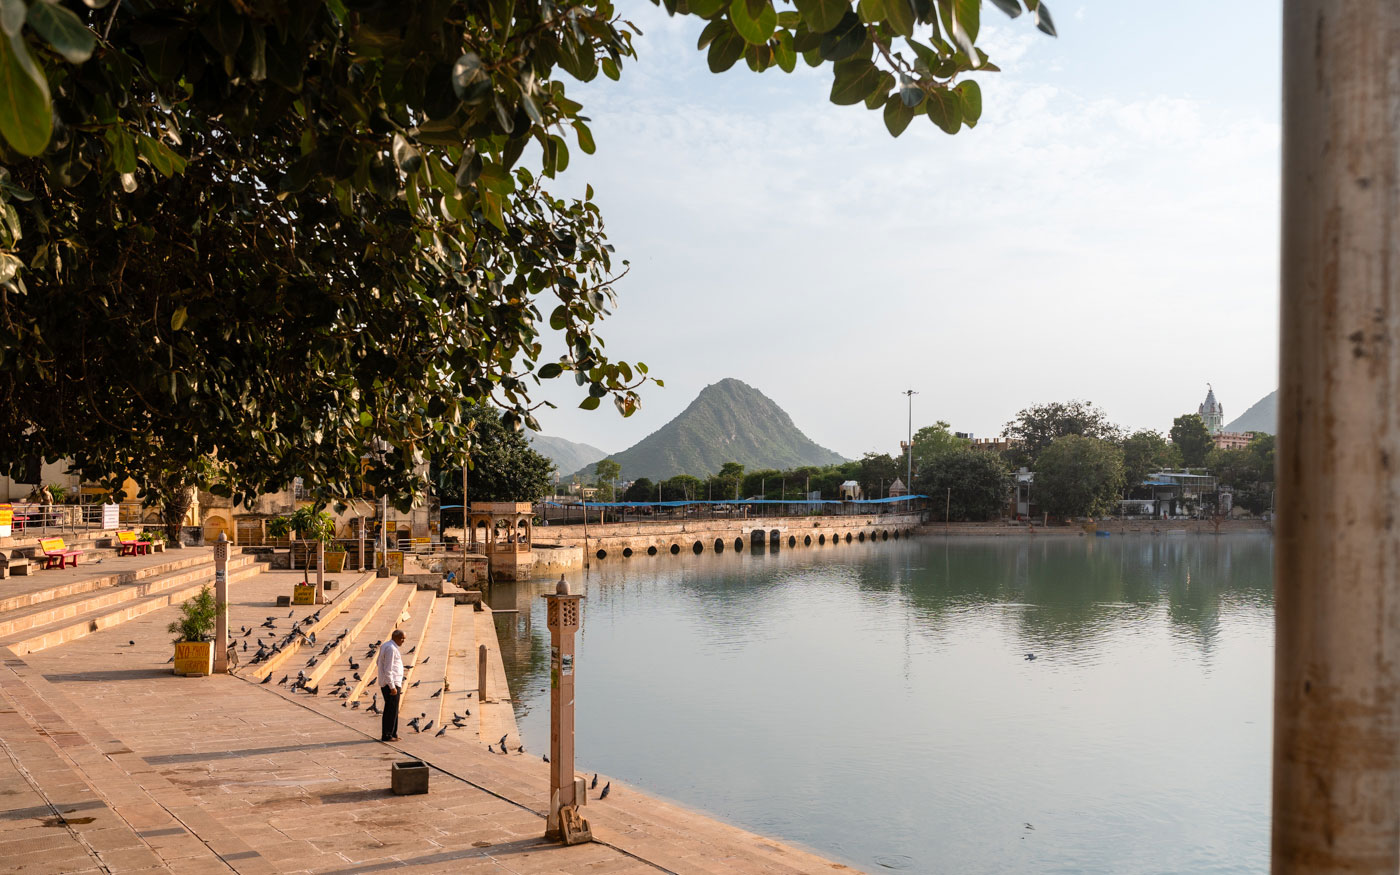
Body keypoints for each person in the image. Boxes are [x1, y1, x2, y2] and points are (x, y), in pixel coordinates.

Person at [376, 630, 405, 742]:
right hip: (391, 684)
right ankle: (387, 735)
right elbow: (388, 669)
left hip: (390, 682)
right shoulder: (391, 649)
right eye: (402, 638)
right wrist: (392, 686)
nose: (403, 641)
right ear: (395, 637)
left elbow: (379, 662)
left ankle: (393, 733)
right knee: (390, 710)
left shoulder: (387, 646)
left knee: (394, 709)